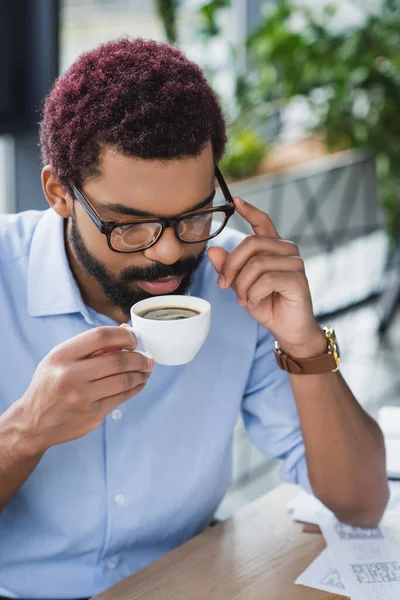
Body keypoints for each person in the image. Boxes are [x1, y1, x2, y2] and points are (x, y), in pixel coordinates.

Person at [0, 38, 388, 600]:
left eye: (195, 215)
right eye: (130, 226)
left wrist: (305, 344)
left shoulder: (238, 281)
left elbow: (361, 502)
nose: (167, 253)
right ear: (59, 192)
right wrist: (24, 432)